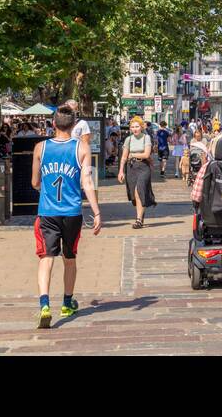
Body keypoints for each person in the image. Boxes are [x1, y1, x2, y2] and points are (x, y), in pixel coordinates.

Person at [32, 104, 102, 329]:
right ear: (74, 126)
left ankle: (44, 304)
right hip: (72, 212)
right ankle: (66, 302)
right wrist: (96, 211)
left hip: (48, 212)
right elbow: (87, 182)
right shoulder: (81, 147)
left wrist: (46, 191)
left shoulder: (40, 148)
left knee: (46, 258)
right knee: (70, 258)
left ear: (53, 124)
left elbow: (35, 182)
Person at [118, 116, 157, 229]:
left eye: (137, 126)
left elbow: (146, 154)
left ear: (142, 127)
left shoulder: (146, 138)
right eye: (132, 127)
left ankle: (139, 219)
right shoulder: (128, 139)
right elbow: (124, 157)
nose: (135, 129)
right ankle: (141, 212)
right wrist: (121, 171)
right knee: (135, 196)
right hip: (131, 167)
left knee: (139, 190)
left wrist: (133, 155)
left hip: (143, 167)